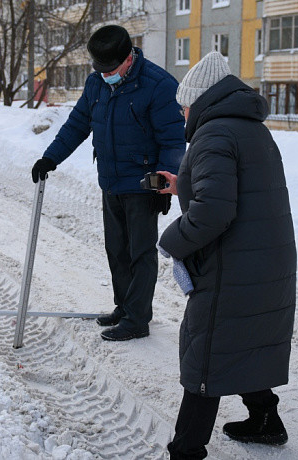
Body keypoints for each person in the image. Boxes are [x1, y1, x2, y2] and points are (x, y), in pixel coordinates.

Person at [156, 52, 297, 458]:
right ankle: (265, 420)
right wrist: (185, 185)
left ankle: (186, 449)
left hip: (231, 262)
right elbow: (239, 189)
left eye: (184, 105)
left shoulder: (214, 134)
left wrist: (171, 242)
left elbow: (214, 212)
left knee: (208, 349)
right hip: (261, 259)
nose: (182, 113)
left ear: (199, 101)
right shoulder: (250, 129)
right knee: (242, 337)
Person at [31, 25, 185, 341]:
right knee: (116, 249)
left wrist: (162, 184)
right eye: (100, 70)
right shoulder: (96, 84)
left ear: (129, 58)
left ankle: (138, 319)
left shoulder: (158, 85)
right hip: (111, 181)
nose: (105, 75)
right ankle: (124, 307)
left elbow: (172, 141)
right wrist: (50, 158)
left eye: (111, 69)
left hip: (144, 184)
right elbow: (76, 126)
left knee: (140, 252)